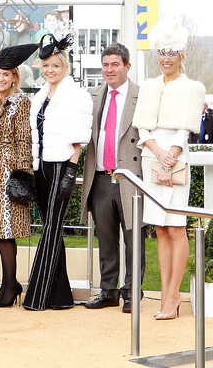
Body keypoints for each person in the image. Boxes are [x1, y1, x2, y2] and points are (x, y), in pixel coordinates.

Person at [132, 18, 206, 320]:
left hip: (177, 158)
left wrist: (170, 156)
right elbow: (142, 127)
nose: (166, 58)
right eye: (162, 52)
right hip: (152, 157)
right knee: (160, 229)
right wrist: (158, 153)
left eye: (172, 53)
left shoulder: (193, 87)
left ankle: (174, 297)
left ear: (181, 56)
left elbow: (187, 128)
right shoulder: (148, 86)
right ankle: (165, 296)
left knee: (176, 228)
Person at [23, 36, 92, 311]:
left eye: (55, 65)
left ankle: (38, 296)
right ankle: (61, 296)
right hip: (42, 166)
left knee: (51, 228)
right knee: (52, 229)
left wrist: (71, 170)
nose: (50, 70)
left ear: (65, 66)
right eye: (46, 66)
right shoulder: (40, 95)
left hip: (62, 164)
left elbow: (78, 136)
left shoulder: (76, 95)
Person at [81, 44, 144, 314]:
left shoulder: (142, 96)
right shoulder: (93, 95)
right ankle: (108, 291)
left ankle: (131, 293)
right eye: (105, 65)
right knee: (106, 240)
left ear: (127, 67)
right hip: (100, 177)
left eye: (115, 64)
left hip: (131, 177)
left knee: (133, 239)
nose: (109, 70)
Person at [0, 44, 36, 308]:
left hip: (9, 170)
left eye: (5, 74)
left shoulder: (21, 102)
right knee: (0, 231)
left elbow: (25, 138)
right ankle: (8, 284)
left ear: (14, 77)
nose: (0, 78)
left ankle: (10, 286)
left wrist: (23, 174)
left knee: (7, 229)